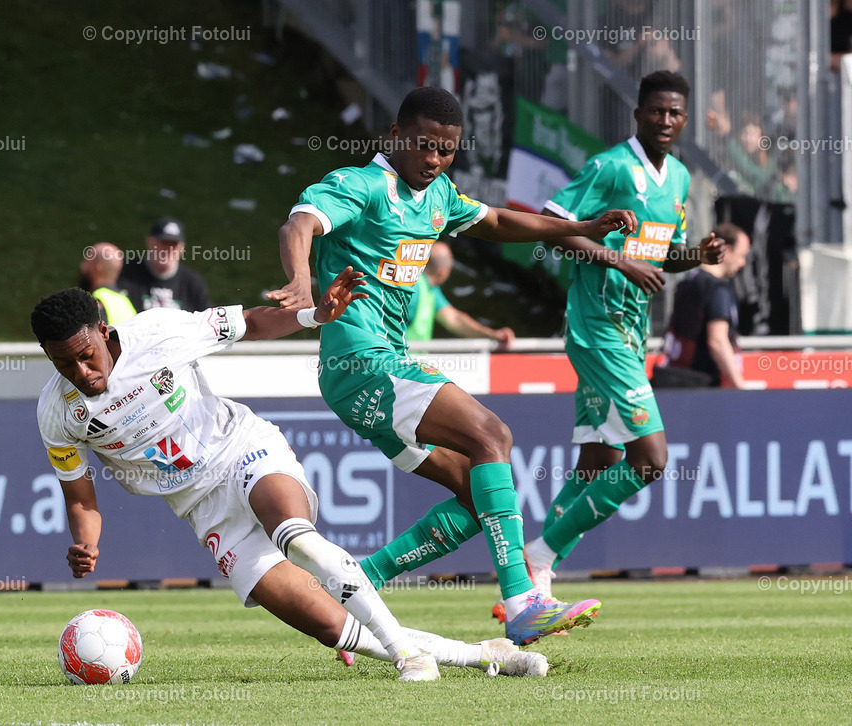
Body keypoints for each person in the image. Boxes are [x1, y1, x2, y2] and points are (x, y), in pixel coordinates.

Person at [268, 86, 657, 646]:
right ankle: (522, 602)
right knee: (492, 435)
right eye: (425, 146)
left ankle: (360, 582)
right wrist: (303, 284)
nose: (434, 160)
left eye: (446, 151)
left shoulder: (438, 195)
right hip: (362, 362)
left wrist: (583, 228)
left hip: (377, 370)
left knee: (480, 496)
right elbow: (298, 225)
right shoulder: (362, 185)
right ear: (396, 136)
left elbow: (497, 222)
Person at [32, 271, 547, 681]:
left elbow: (251, 323)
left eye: (87, 356)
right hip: (202, 509)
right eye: (64, 365)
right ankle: (484, 655)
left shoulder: (159, 332)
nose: (82, 373)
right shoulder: (57, 412)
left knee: (295, 537)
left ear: (105, 331)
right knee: (330, 626)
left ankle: (410, 657)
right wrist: (87, 544)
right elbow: (80, 496)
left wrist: (313, 315)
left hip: (242, 452)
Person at [512, 71, 726, 602]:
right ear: (638, 113)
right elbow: (553, 223)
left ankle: (528, 588)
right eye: (657, 111)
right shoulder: (610, 167)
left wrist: (696, 255)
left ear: (684, 118)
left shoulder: (677, 178)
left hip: (632, 336)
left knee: (600, 461)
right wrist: (619, 260)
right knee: (651, 459)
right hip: (597, 327)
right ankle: (539, 555)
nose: (666, 121)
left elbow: (664, 258)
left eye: (676, 113)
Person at [658, 223, 750, 389]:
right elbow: (718, 341)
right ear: (727, 251)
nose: (742, 263)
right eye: (741, 255)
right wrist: (740, 387)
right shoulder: (717, 289)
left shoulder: (687, 283)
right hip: (701, 384)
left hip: (673, 378)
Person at [406, 241, 515, 348]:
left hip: (409, 361)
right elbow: (455, 320)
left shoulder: (429, 288)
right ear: (444, 271)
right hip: (400, 362)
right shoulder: (415, 287)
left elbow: (455, 319)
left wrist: (492, 334)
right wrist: (492, 334)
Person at [118, 217, 211, 313]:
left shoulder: (192, 283)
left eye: (173, 245)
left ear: (182, 247)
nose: (168, 249)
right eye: (164, 243)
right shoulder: (126, 273)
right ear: (149, 242)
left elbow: (206, 320)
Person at [78, 242, 137, 325]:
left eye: (86, 261)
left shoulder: (96, 302)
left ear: (98, 268)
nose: (82, 266)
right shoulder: (126, 302)